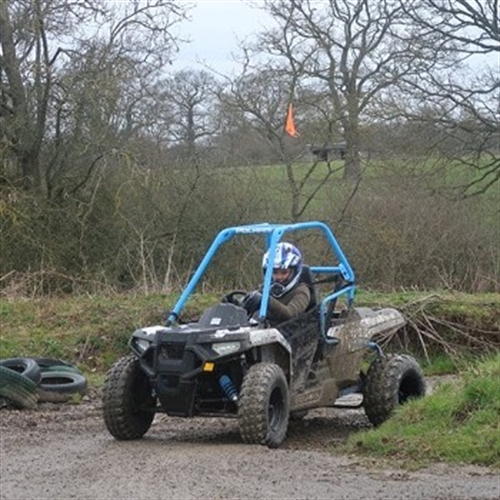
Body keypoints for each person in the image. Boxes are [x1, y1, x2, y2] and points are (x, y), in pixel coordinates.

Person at [242, 242, 311, 325]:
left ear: (294, 272)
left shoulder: (302, 291)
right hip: (268, 332)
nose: (279, 277)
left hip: (293, 333)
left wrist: (266, 300)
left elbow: (290, 314)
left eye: (284, 272)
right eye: (275, 272)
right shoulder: (268, 288)